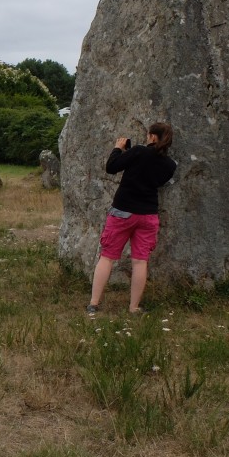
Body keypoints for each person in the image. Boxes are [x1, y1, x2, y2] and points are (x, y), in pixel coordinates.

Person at [87, 122, 176, 315]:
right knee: (140, 261)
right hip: (148, 215)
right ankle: (134, 307)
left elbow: (111, 167)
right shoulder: (170, 165)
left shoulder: (138, 151)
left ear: (152, 137)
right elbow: (157, 180)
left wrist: (118, 149)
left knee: (107, 257)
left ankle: (94, 304)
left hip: (123, 212)